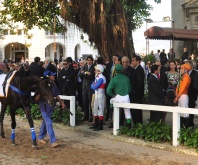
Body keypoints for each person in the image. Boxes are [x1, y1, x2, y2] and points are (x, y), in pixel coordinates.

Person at [36, 71, 66, 147]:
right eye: (52, 76)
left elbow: (57, 95)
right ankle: (53, 141)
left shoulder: (53, 84)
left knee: (45, 122)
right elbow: (36, 97)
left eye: (54, 75)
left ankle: (40, 137)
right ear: (48, 76)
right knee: (48, 122)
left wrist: (62, 102)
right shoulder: (42, 85)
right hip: (43, 106)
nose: (54, 77)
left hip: (51, 106)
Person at [107, 64, 132, 129]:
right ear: (122, 70)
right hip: (126, 97)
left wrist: (113, 95)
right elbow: (129, 89)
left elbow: (108, 90)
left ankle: (111, 111)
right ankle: (129, 126)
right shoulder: (127, 78)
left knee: (111, 100)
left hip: (117, 97)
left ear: (115, 71)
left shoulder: (114, 79)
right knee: (127, 112)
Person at [174, 63, 191, 128]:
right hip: (180, 96)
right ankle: (181, 127)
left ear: (185, 70)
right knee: (181, 113)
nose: (180, 70)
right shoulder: (182, 77)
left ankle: (185, 127)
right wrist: (176, 93)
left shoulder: (186, 78)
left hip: (183, 96)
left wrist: (176, 97)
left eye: (182, 68)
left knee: (184, 113)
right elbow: (178, 87)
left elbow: (182, 88)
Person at [90, 64, 106, 131]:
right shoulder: (97, 76)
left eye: (96, 69)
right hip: (97, 95)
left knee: (100, 110)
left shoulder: (101, 77)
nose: (94, 71)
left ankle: (100, 125)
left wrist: (94, 84)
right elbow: (92, 85)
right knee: (96, 109)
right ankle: (96, 123)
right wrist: (93, 84)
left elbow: (94, 86)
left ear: (99, 70)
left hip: (100, 95)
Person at [79, 55, 95, 122]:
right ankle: (86, 116)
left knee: (90, 102)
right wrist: (86, 73)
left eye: (90, 60)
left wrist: (86, 74)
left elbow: (92, 76)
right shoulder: (84, 67)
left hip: (90, 86)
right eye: (88, 60)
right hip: (84, 86)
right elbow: (80, 74)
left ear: (92, 61)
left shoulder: (94, 67)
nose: (89, 61)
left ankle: (91, 116)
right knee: (85, 102)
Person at [130, 55, 145, 125]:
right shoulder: (135, 69)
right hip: (135, 93)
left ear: (138, 61)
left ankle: (138, 124)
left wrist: (135, 91)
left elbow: (140, 82)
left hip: (137, 94)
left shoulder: (139, 69)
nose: (132, 62)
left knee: (137, 110)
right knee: (134, 110)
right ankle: (136, 124)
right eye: (132, 60)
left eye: (133, 60)